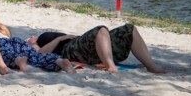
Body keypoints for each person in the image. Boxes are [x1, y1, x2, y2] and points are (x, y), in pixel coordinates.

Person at [27, 24, 166, 74]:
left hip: (83, 46)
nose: (31, 36)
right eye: (30, 37)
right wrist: (59, 39)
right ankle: (111, 67)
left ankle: (151, 66)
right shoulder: (39, 41)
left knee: (129, 29)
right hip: (69, 50)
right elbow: (40, 54)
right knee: (101, 29)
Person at [0, 5, 76, 74]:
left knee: (7, 54)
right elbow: (11, 41)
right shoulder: (2, 28)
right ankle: (58, 61)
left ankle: (19, 61)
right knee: (36, 56)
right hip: (17, 41)